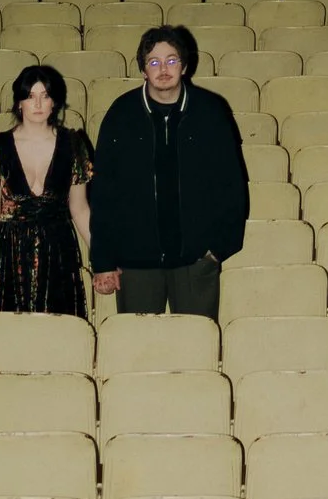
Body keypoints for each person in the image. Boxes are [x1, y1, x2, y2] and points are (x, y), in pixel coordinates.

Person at [89, 23, 248, 315]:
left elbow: (232, 186)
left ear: (184, 66)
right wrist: (103, 260)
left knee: (197, 350)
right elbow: (103, 194)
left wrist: (217, 251)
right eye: (154, 62)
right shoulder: (121, 115)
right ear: (143, 70)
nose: (163, 69)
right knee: (138, 351)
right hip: (135, 264)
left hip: (196, 261)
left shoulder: (211, 112)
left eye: (171, 60)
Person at [0, 61, 94, 318]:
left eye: (45, 96)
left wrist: (103, 260)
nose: (37, 104)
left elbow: (80, 209)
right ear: (19, 103)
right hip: (8, 253)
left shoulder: (74, 145)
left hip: (58, 251)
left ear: (54, 102)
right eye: (30, 97)